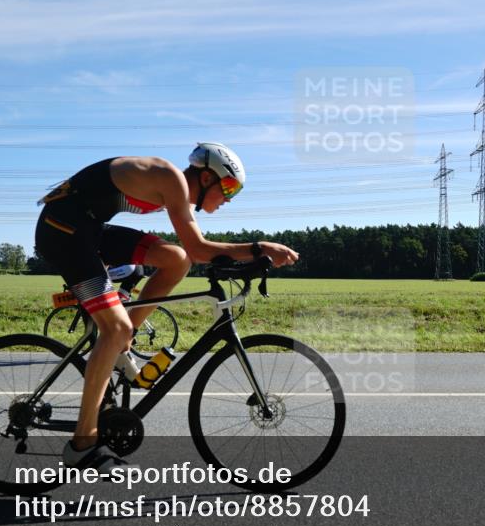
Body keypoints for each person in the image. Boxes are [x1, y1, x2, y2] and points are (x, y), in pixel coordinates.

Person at [35, 143, 299, 470]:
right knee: (113, 328)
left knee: (176, 259)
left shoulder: (173, 188)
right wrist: (259, 248)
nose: (228, 198)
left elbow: (192, 253)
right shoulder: (171, 179)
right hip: (64, 232)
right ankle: (84, 443)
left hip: (87, 228)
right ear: (206, 178)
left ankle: (121, 342)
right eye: (228, 187)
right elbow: (201, 248)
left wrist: (248, 258)